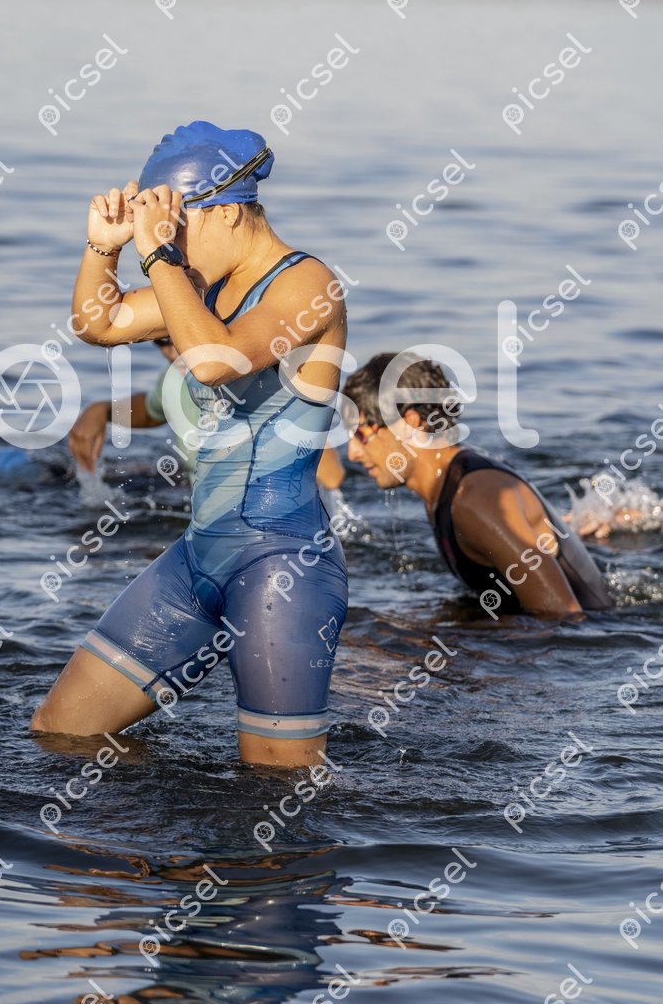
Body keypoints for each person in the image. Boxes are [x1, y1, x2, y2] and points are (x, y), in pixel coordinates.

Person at [31, 121, 350, 766]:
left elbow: (214, 362)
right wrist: (103, 249)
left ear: (228, 211)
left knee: (279, 789)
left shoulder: (308, 282)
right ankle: (166, 825)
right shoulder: (201, 284)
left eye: (177, 225)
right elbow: (99, 322)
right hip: (197, 559)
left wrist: (158, 257)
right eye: (161, 229)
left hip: (281, 567)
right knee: (64, 735)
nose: (167, 240)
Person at [343, 352, 612, 619]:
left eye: (360, 434)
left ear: (409, 423)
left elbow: (564, 617)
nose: (352, 454)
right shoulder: (445, 487)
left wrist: (427, 636)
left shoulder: (475, 501)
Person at [69, 337, 346, 495]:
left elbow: (332, 478)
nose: (174, 352)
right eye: (162, 341)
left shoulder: (251, 380)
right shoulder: (174, 378)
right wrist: (103, 410)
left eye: (179, 338)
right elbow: (154, 410)